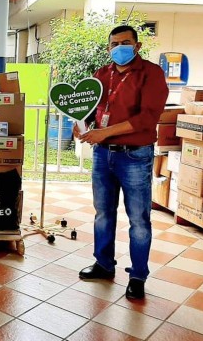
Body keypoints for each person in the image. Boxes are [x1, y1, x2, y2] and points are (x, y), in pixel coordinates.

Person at [75, 25, 168, 300]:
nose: (120, 48)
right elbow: (91, 108)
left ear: (137, 46)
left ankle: (138, 275)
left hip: (135, 155)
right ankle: (104, 264)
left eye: (125, 42)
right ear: (108, 48)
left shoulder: (151, 74)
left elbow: (148, 117)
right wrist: (80, 124)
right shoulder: (102, 75)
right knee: (103, 213)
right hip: (103, 154)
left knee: (139, 219)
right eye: (114, 43)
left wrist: (105, 131)